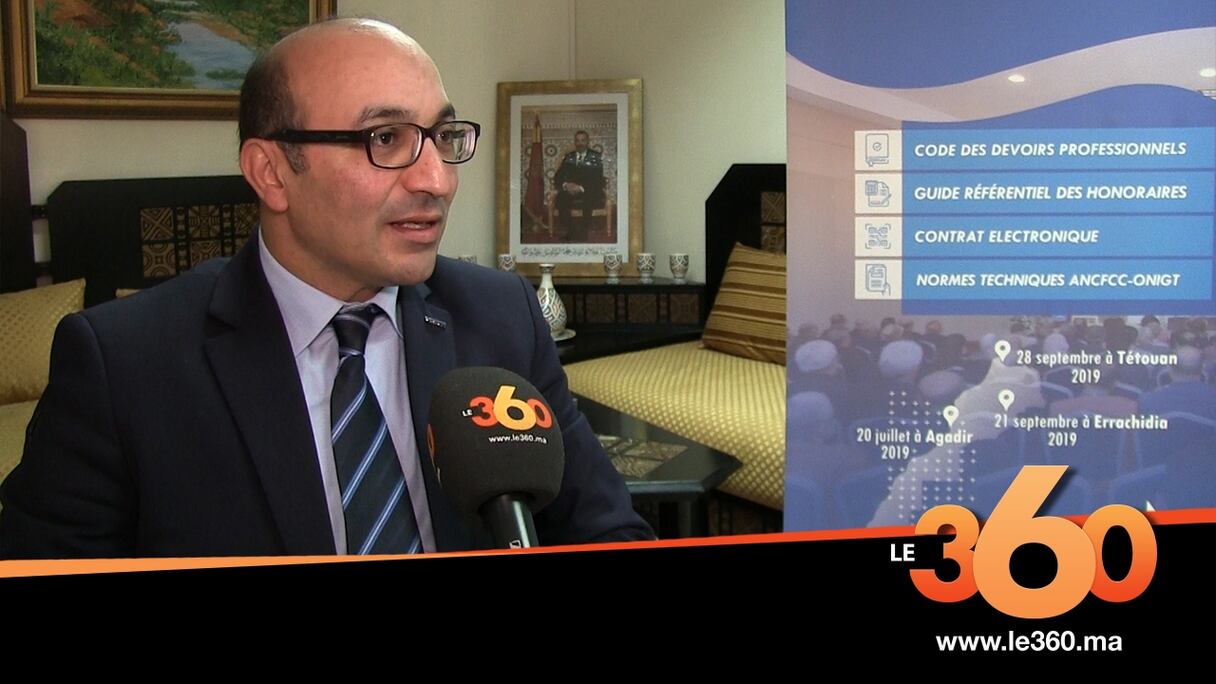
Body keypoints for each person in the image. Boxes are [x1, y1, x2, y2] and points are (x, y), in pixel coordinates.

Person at [0, 18, 652, 558]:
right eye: (385, 138)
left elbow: (605, 529)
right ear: (271, 173)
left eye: (441, 136)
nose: (437, 180)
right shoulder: (123, 364)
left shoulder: (501, 315)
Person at [552, 130, 605, 242]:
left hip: (588, 190)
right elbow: (558, 176)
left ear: (588, 141)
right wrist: (566, 185)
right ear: (575, 142)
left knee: (589, 198)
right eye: (577, 141)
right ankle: (571, 231)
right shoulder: (569, 157)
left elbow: (597, 179)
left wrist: (580, 188)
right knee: (561, 198)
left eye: (583, 140)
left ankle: (583, 232)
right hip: (570, 190)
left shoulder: (595, 156)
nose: (580, 143)